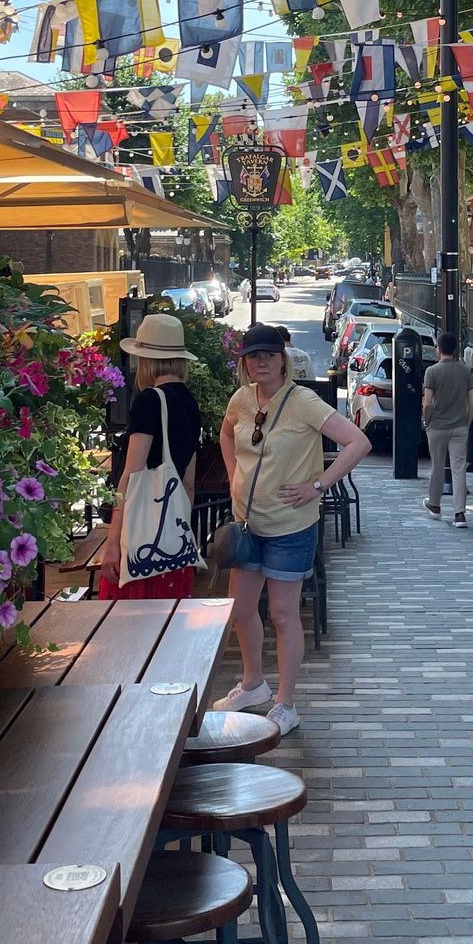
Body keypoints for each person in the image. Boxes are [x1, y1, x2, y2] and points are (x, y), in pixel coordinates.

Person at [213, 322, 371, 736]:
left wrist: (318, 485)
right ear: (245, 363)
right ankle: (252, 683)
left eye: (269, 355)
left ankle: (285, 703)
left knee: (283, 614)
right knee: (241, 609)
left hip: (290, 526)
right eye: (253, 356)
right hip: (247, 524)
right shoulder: (241, 400)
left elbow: (358, 443)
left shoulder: (303, 402)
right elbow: (226, 435)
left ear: (283, 360)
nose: (261, 362)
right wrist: (234, 476)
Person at [97, 313, 202, 601]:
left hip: (140, 540)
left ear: (146, 360)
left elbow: (131, 477)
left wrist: (113, 541)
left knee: (126, 622)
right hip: (173, 542)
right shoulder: (190, 402)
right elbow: (188, 483)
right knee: (168, 621)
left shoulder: (149, 401)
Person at [422, 330, 473, 528]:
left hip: (437, 425)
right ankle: (460, 513)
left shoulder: (432, 372)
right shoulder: (466, 371)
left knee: (437, 466)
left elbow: (427, 403)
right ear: (455, 349)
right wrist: (467, 421)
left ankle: (435, 504)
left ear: (438, 349)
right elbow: (472, 402)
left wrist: (427, 421)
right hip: (460, 425)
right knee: (458, 469)